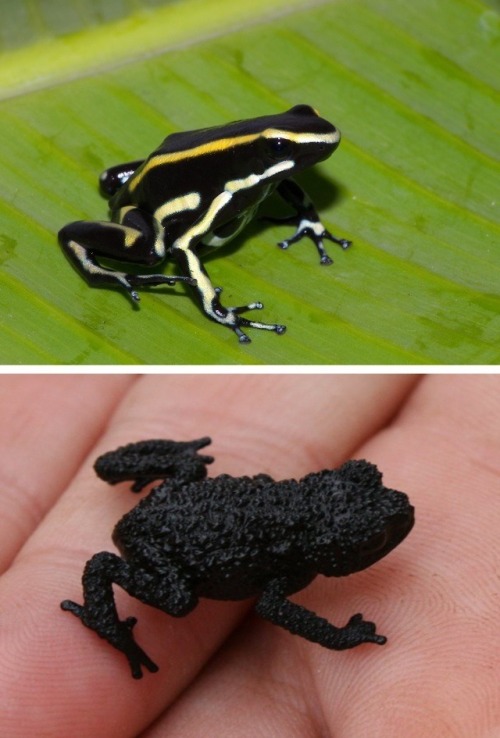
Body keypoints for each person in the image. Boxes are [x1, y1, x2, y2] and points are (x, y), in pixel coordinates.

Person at [0, 374, 498, 737]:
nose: (394, 512)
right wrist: (341, 637)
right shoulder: (294, 564)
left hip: (178, 498)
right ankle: (104, 591)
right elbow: (271, 605)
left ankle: (119, 466)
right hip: (163, 545)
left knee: (189, 471)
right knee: (177, 602)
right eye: (372, 538)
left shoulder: (299, 527)